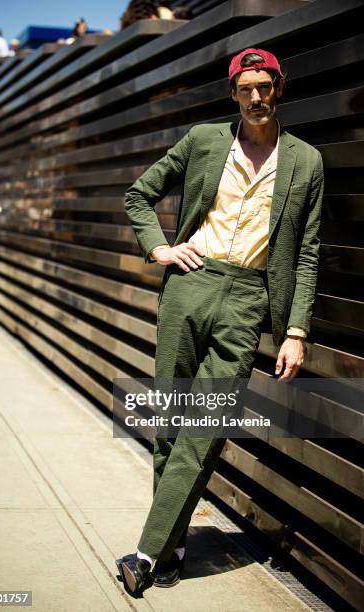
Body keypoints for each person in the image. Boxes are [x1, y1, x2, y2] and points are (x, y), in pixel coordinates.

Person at [117, 47, 324, 595]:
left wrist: (296, 330)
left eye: (265, 86)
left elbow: (307, 251)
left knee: (204, 426)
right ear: (233, 93)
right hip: (190, 285)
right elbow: (139, 195)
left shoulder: (306, 161)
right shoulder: (205, 140)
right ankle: (173, 547)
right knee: (169, 420)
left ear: (280, 88)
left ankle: (147, 552)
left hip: (248, 301)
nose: (256, 97)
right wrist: (160, 249)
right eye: (246, 88)